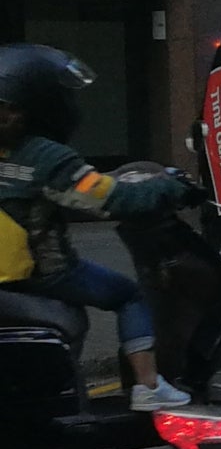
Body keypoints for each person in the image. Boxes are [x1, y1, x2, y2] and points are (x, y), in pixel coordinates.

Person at [0, 44, 195, 411]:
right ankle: (149, 386)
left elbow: (76, 187)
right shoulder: (45, 156)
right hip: (44, 272)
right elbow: (110, 200)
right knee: (128, 296)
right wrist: (172, 186)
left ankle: (60, 401)